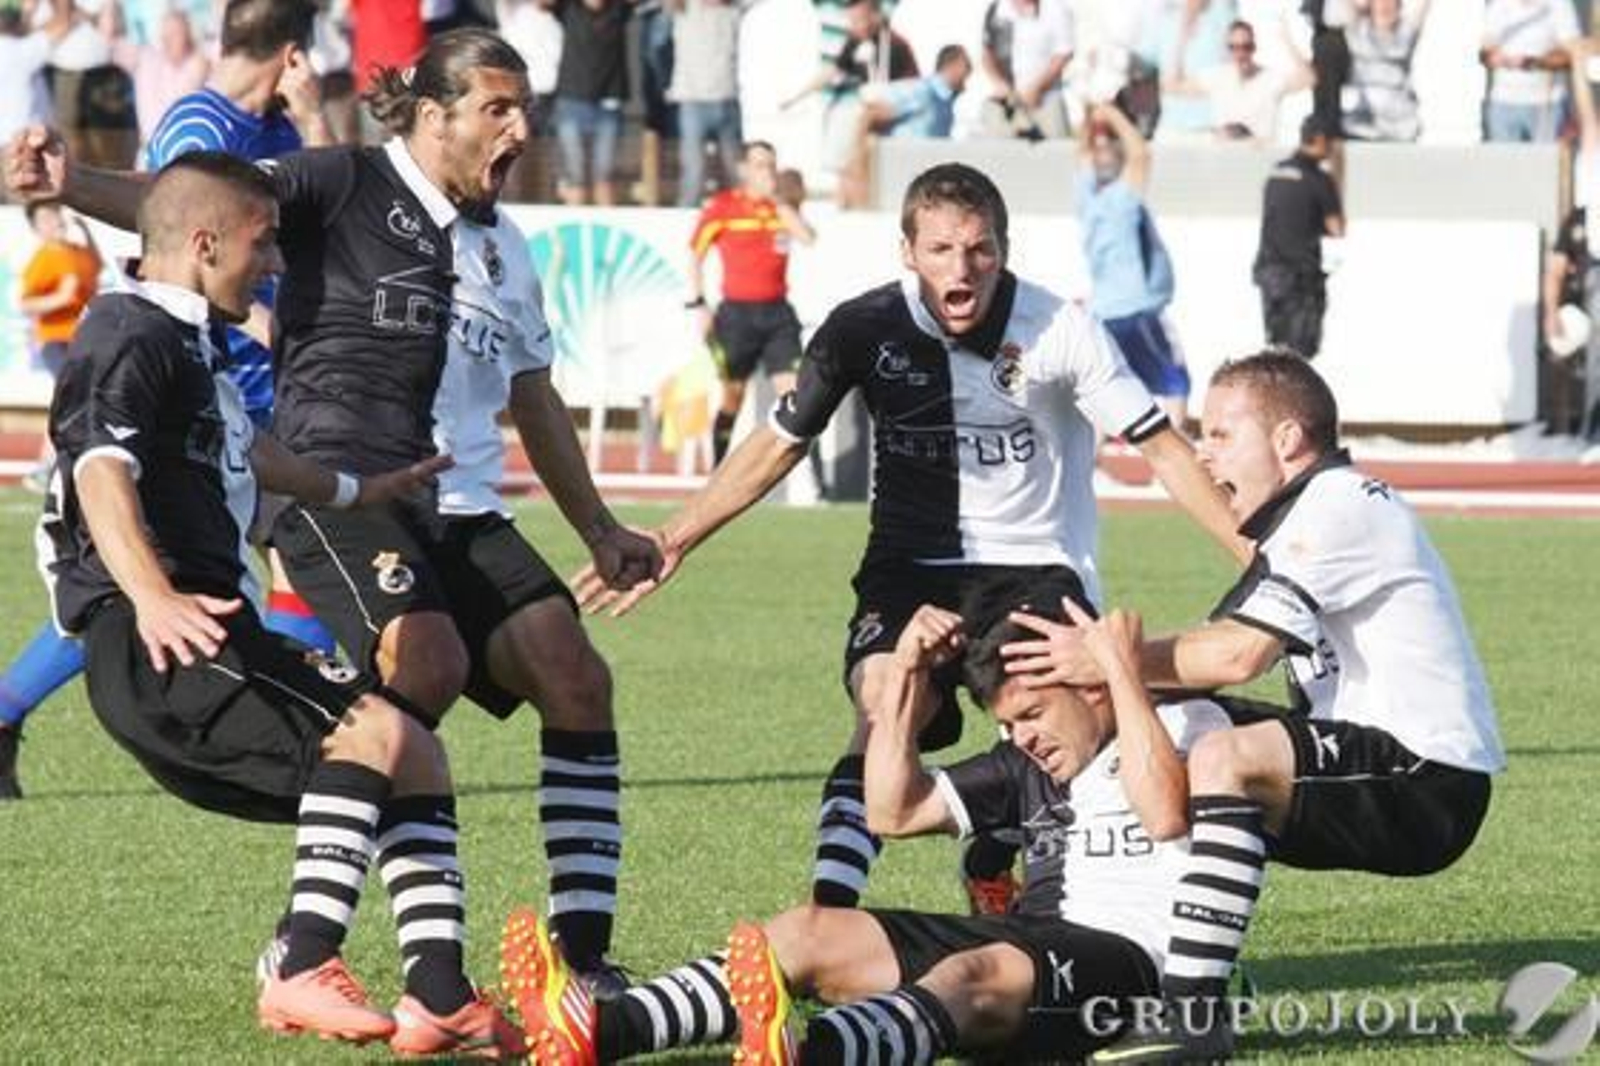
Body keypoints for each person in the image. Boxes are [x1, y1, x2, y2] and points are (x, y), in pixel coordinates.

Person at [7, 27, 662, 997]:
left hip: (456, 504)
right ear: (434, 116)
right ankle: (311, 938)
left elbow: (534, 397)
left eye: (523, 107)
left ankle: (584, 957)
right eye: (498, 108)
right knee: (422, 667)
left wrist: (600, 528)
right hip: (332, 484)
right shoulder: (339, 181)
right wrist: (69, 184)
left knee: (575, 673)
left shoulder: (506, 248)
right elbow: (195, 212)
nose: (522, 128)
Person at [575, 163, 1246, 919]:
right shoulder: (863, 329)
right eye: (940, 250)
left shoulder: (1059, 328)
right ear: (907, 251)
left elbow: (1160, 446)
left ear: (1004, 249)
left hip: (1032, 565)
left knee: (1062, 721)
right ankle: (827, 917)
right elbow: (782, 441)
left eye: (980, 250)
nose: (962, 269)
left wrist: (1252, 554)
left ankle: (1006, 868)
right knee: (888, 699)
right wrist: (675, 536)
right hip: (907, 567)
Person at [40, 150, 517, 1056]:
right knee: (374, 736)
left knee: (414, 748)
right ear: (205, 242)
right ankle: (299, 963)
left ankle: (440, 994)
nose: (274, 263)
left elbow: (256, 455)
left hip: (208, 627)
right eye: (262, 246)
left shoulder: (188, 344)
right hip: (165, 638)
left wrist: (362, 488)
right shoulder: (127, 329)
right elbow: (100, 469)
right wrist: (149, 596)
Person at [1003, 351, 1505, 1059]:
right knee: (1160, 730)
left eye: (1219, 436)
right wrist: (1098, 689)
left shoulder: (1340, 505)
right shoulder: (1298, 522)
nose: (1205, 457)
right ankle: (1123, 949)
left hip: (1429, 780)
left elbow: (1237, 656)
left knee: (1222, 755)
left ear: (1288, 439)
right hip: (1372, 759)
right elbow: (1196, 669)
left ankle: (1192, 1017)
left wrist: (1107, 658)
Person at [503, 584, 1237, 1064]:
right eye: (1009, 723)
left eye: (1034, 715)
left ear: (1090, 684)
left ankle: (811, 1051)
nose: (1023, 739)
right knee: (807, 931)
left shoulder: (1188, 722)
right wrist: (907, 683)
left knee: (972, 973)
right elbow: (891, 809)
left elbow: (1166, 809)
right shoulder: (1026, 765)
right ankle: (602, 1030)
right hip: (1028, 937)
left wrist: (1124, 673)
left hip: (1136, 974)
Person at [0, 0, 336, 791]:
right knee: (148, 576)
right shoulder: (203, 125)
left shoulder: (281, 130)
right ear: (295, 50)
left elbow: (324, 220)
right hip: (197, 392)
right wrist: (261, 323)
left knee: (274, 557)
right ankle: (288, 718)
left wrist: (318, 118)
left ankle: (287, 708)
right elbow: (166, 217)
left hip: (255, 394)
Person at [0, 197, 102, 800]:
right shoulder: (49, 259)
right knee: (114, 606)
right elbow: (28, 300)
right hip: (64, 349)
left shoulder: (78, 250)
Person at [687, 140, 816, 465]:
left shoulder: (781, 208)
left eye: (771, 165)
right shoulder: (724, 207)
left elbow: (807, 237)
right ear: (744, 169)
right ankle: (716, 473)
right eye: (759, 165)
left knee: (797, 399)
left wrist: (778, 201)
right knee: (733, 397)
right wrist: (698, 304)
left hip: (777, 315)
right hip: (737, 316)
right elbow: (694, 255)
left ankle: (817, 486)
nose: (767, 172)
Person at [1076, 102, 1188, 427]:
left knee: (1107, 387)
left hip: (1105, 311)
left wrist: (1088, 119)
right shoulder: (1121, 198)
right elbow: (1141, 154)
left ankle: (1091, 461)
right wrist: (1110, 112)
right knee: (1176, 381)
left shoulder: (1086, 197)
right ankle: (1176, 461)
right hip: (1137, 309)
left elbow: (1082, 153)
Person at [782, 0, 918, 208]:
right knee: (845, 166)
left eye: (858, 20)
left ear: (874, 16)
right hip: (861, 110)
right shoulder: (857, 41)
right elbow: (834, 70)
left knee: (860, 164)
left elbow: (910, 86)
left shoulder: (895, 45)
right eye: (851, 21)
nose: (854, 26)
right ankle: (845, 208)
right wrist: (796, 97)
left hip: (884, 116)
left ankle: (860, 208)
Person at [1253, 113, 1343, 358]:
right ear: (1321, 139)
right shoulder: (1319, 179)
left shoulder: (1275, 172)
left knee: (1275, 353)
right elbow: (1337, 228)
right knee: (1301, 357)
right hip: (1300, 279)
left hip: (1269, 273)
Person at [1163, 15, 1315, 142]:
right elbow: (1172, 86)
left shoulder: (1269, 79)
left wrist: (1287, 40)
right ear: (1227, 49)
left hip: (1258, 159)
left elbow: (1309, 79)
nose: (1240, 54)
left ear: (1254, 47)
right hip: (1223, 161)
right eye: (1233, 47)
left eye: (1246, 46)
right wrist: (1182, 40)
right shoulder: (1218, 76)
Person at [541, 0, 631, 206]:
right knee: (575, 174)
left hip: (609, 104)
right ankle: (574, 231)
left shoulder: (619, 8)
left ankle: (607, 225)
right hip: (571, 102)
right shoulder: (568, 7)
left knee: (606, 174)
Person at [104, 4, 210, 150]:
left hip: (186, 155)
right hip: (148, 153)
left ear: (189, 35)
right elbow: (109, 41)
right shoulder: (146, 58)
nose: (166, 39)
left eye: (174, 33)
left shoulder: (199, 63)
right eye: (164, 33)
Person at [668, 0, 742, 207]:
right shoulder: (684, 8)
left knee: (734, 170)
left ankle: (738, 218)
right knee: (694, 170)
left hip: (727, 100)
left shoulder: (733, 10)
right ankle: (685, 219)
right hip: (693, 102)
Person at [1480, 0, 1582, 144]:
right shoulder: (1498, 5)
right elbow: (1483, 52)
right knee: (1503, 165)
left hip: (1547, 105)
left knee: (1547, 164)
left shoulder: (1560, 4)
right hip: (1502, 104)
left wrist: (1532, 62)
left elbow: (1573, 54)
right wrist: (1492, 58)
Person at [1335, 0, 1431, 142]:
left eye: (1390, 3)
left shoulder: (1405, 33)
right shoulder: (1358, 29)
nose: (1384, 6)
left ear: (1398, 8)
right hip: (1363, 122)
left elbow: (1423, 6)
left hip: (1401, 123)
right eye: (1380, 3)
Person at [980, 0, 1076, 141]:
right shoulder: (995, 8)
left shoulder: (1057, 9)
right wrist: (1000, 85)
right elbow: (987, 52)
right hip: (1006, 104)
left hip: (1046, 101)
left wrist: (1037, 89)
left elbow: (1064, 53)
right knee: (999, 157)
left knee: (1054, 155)